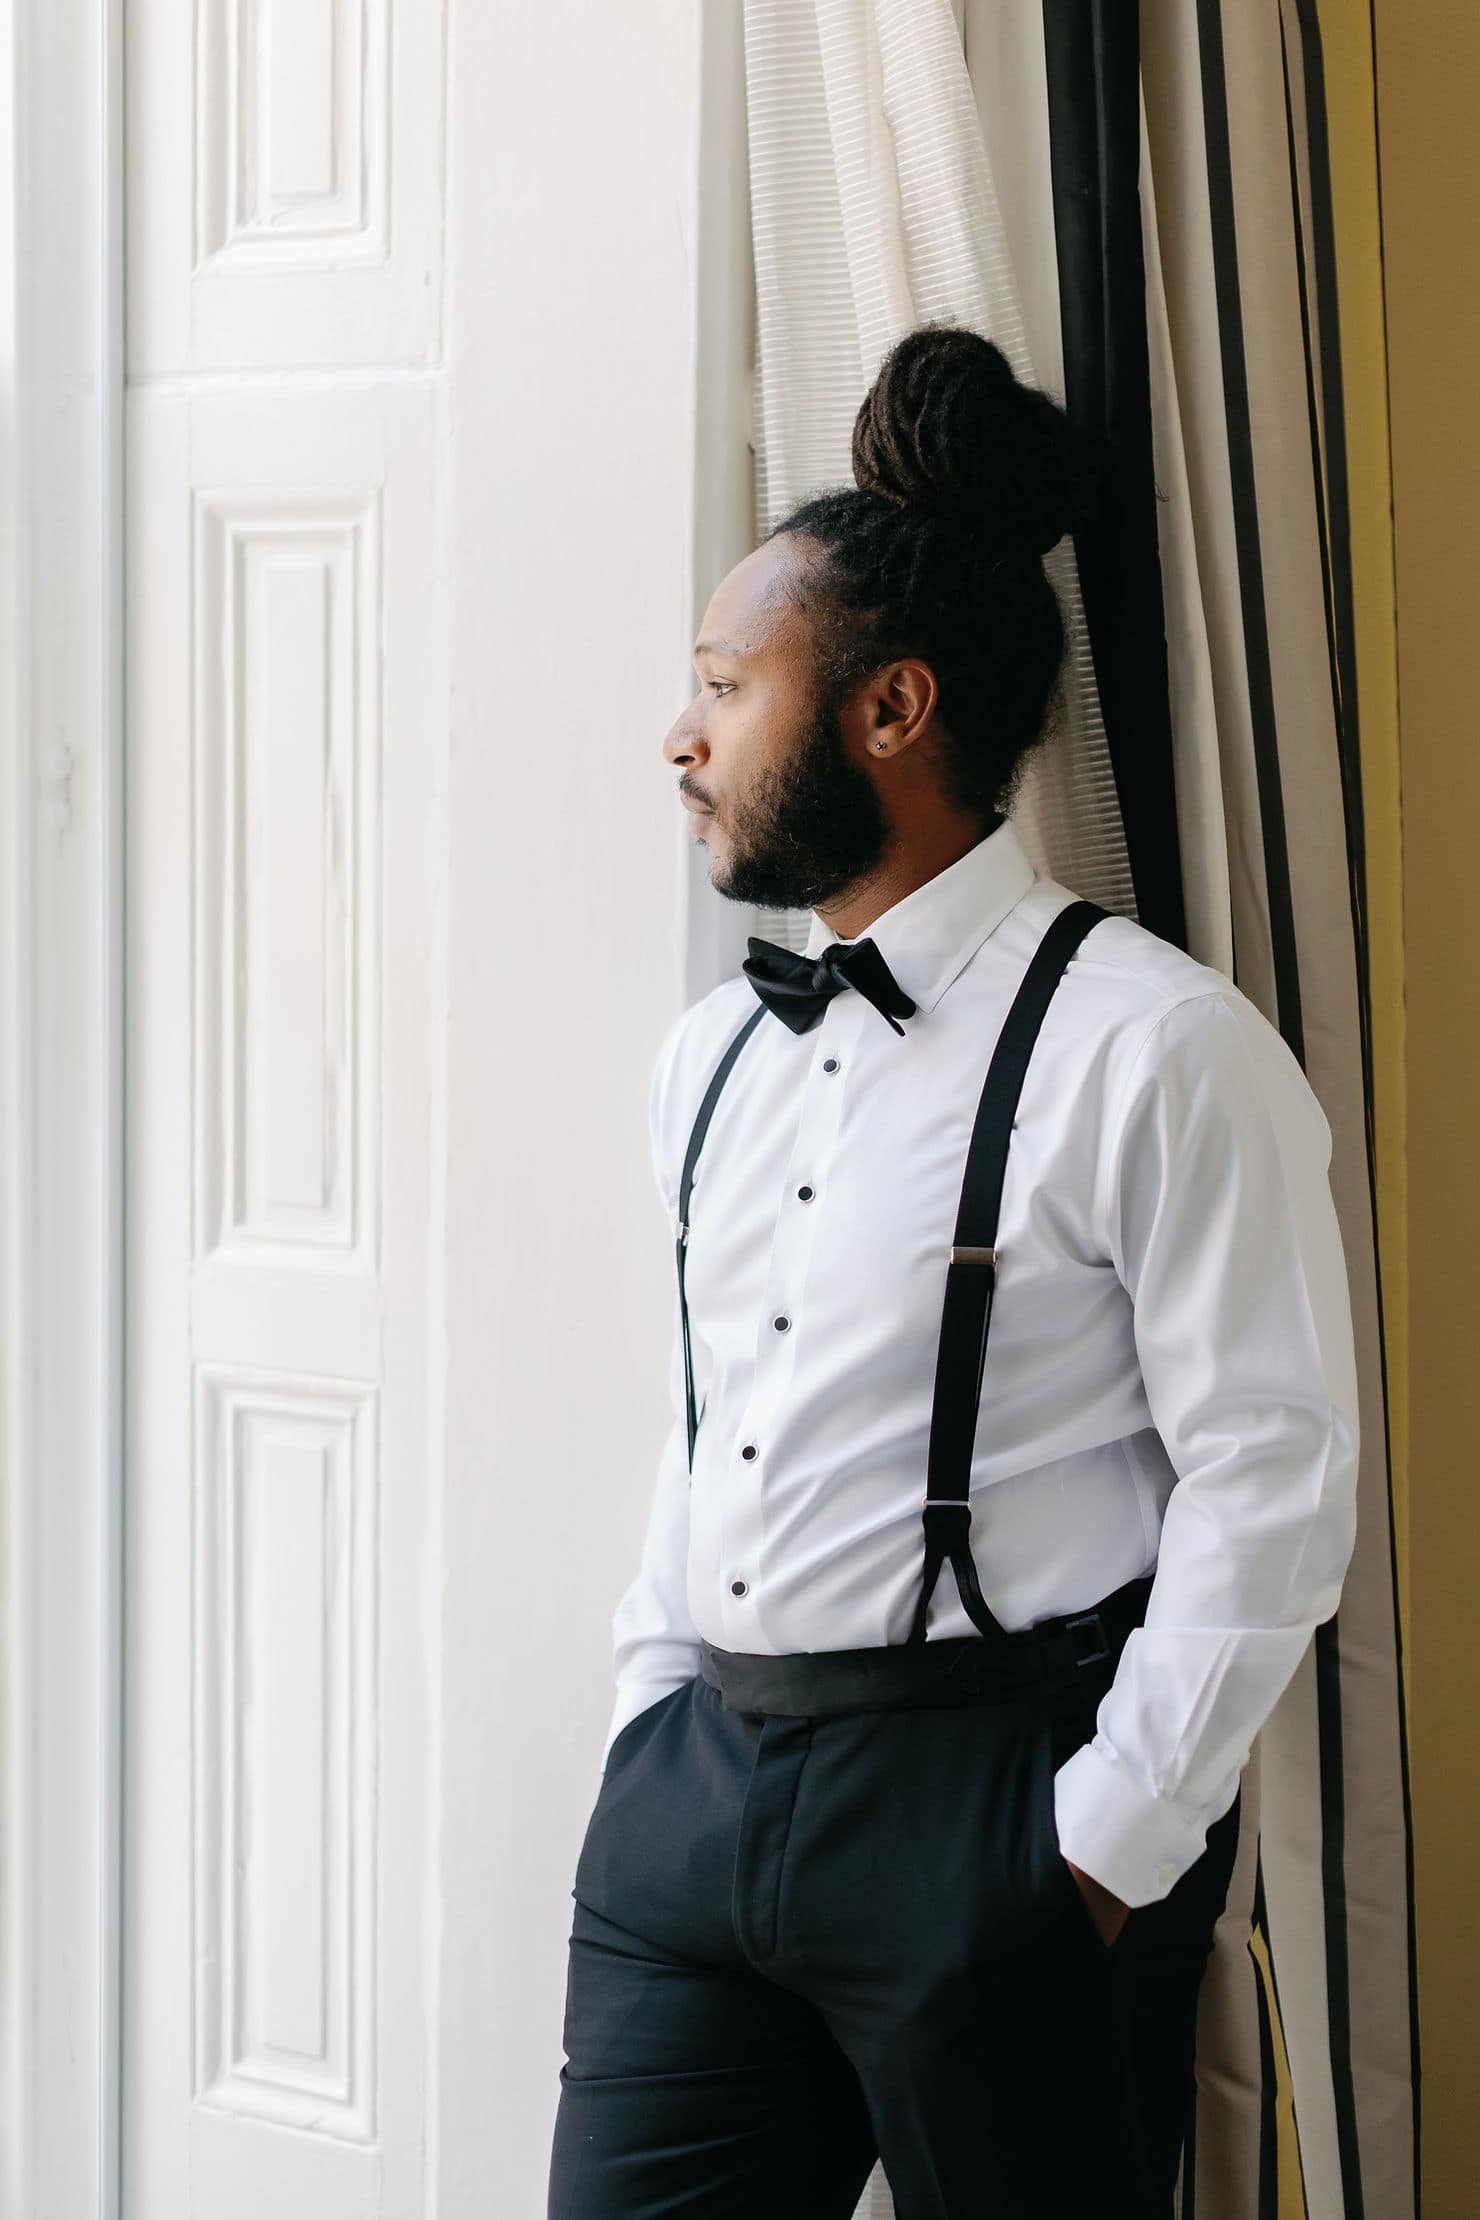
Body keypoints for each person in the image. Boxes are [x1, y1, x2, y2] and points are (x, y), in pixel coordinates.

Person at [546, 323, 1360, 2219]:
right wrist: (652, 1710)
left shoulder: (1158, 1050)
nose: (681, 738)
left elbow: (1275, 1473)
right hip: (692, 1815)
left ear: (891, 710)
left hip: (997, 1815)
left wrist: (1104, 1848)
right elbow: (715, 1420)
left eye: (724, 687)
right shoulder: (711, 1058)